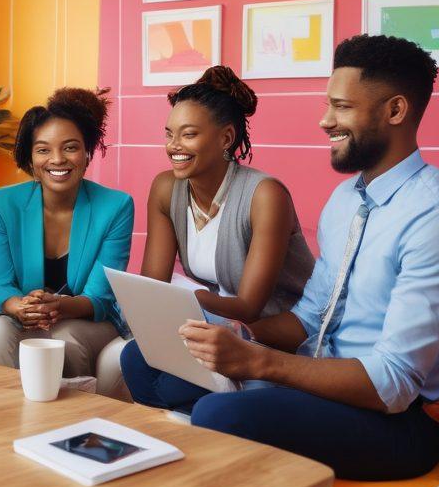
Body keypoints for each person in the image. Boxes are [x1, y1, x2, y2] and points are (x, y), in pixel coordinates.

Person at [169, 36, 439, 487]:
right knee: (149, 364)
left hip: (405, 424)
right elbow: (310, 317)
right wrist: (241, 334)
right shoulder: (346, 199)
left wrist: (259, 363)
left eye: (341, 106)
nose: (325, 121)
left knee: (220, 417)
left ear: (395, 110)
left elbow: (393, 384)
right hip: (325, 388)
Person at [121, 66, 314, 410]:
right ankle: (192, 423)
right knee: (134, 358)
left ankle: (206, 419)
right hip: (217, 325)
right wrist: (155, 303)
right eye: (169, 134)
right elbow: (153, 285)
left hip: (272, 332)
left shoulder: (265, 195)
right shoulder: (166, 188)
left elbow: (249, 307)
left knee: (171, 384)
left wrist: (185, 300)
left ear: (225, 138)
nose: (174, 146)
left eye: (188, 134)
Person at [0, 88, 133, 393]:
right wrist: (19, 306)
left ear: (87, 152)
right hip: (26, 317)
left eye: (70, 148)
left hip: (87, 321)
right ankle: (5, 412)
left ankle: (77, 417)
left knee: (65, 338)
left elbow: (100, 297)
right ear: (30, 157)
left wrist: (59, 306)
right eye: (43, 150)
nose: (57, 159)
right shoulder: (2, 203)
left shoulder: (116, 206)